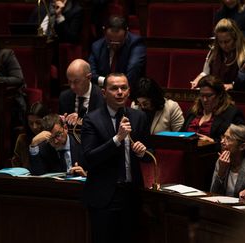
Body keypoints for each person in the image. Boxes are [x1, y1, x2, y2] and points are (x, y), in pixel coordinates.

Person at [81, 73, 149, 243]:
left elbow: (149, 154)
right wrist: (117, 139)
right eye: (114, 88)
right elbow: (89, 158)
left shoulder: (139, 117)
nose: (119, 92)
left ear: (128, 91)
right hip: (104, 197)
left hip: (132, 195)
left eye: (123, 88)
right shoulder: (92, 119)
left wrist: (142, 152)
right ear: (104, 93)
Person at [190, 18, 245, 90]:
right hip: (216, 95)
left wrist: (232, 85)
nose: (223, 45)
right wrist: (198, 80)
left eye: (227, 41)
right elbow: (206, 72)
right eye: (220, 42)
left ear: (236, 38)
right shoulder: (214, 51)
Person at [88, 15, 146, 91]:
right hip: (103, 92)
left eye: (119, 42)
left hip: (129, 92)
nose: (114, 46)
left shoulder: (136, 43)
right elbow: (91, 73)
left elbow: (133, 68)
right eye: (110, 42)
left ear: (126, 33)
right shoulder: (97, 46)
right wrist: (108, 82)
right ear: (104, 32)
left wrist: (118, 87)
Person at [182, 75, 244, 143]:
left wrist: (213, 142)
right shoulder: (193, 111)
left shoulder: (232, 113)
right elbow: (181, 134)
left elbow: (238, 142)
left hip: (213, 152)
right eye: (202, 95)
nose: (204, 100)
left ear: (219, 94)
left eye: (209, 96)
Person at [210, 124, 245, 197]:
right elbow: (213, 194)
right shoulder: (221, 162)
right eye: (223, 137)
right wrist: (221, 172)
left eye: (228, 138)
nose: (222, 141)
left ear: (242, 146)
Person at [59, 59, 104, 126]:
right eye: (69, 82)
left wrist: (83, 121)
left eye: (76, 82)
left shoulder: (102, 96)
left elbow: (103, 125)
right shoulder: (64, 97)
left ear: (89, 77)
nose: (72, 87)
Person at [11, 102, 49, 168]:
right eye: (31, 123)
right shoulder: (22, 139)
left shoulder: (53, 138)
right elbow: (16, 164)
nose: (34, 127)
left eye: (38, 123)